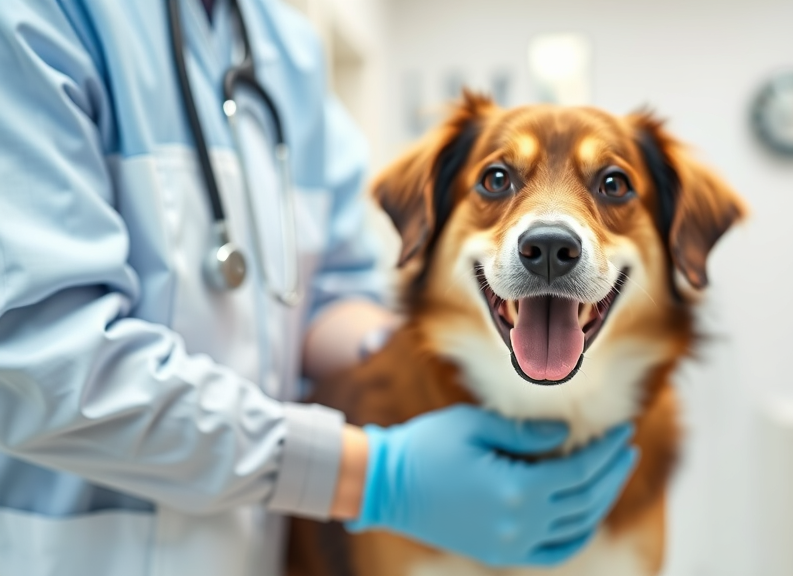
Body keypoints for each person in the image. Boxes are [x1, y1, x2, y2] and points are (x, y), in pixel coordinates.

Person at [0, 1, 639, 575]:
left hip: (258, 547)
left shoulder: (287, 49)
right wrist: (376, 478)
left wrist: (430, 361)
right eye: (498, 180)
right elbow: (43, 361)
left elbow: (327, 295)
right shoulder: (42, 16)